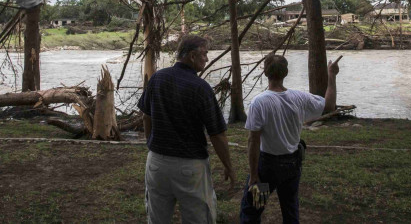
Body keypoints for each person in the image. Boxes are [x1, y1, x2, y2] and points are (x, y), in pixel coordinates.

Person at [138, 34, 236, 224]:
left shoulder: (158, 78)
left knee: (157, 219)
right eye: (205, 54)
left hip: (156, 163)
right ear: (192, 56)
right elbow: (217, 134)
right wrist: (228, 166)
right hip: (190, 167)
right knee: (198, 219)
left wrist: (151, 144)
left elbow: (146, 116)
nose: (207, 59)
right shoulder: (201, 88)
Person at [239, 53, 341, 223]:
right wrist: (332, 75)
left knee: (254, 210)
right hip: (292, 166)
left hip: (267, 168)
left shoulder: (259, 102)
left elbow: (253, 141)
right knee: (290, 210)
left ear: (265, 73)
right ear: (286, 73)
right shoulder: (299, 98)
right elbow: (329, 105)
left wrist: (253, 175)